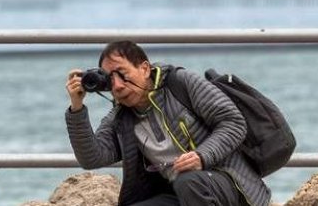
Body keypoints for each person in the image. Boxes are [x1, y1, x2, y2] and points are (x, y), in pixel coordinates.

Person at [64, 41, 270, 206]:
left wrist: (202, 156)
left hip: (232, 185)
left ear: (144, 68)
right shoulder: (121, 116)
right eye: (109, 80)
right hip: (179, 193)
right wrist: (76, 108)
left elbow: (234, 122)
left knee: (189, 181)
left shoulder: (181, 83)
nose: (117, 86)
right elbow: (92, 158)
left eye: (122, 74)